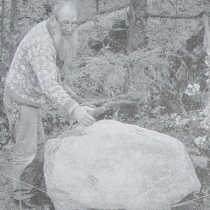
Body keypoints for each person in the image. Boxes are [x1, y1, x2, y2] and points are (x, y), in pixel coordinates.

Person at [3, 0, 95, 208]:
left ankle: (34, 189)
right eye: (65, 23)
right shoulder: (42, 42)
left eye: (74, 23)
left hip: (33, 99)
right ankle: (20, 198)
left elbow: (55, 78)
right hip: (21, 99)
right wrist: (74, 109)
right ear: (53, 20)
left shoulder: (56, 35)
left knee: (39, 147)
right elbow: (48, 85)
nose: (70, 29)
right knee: (27, 151)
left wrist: (78, 100)